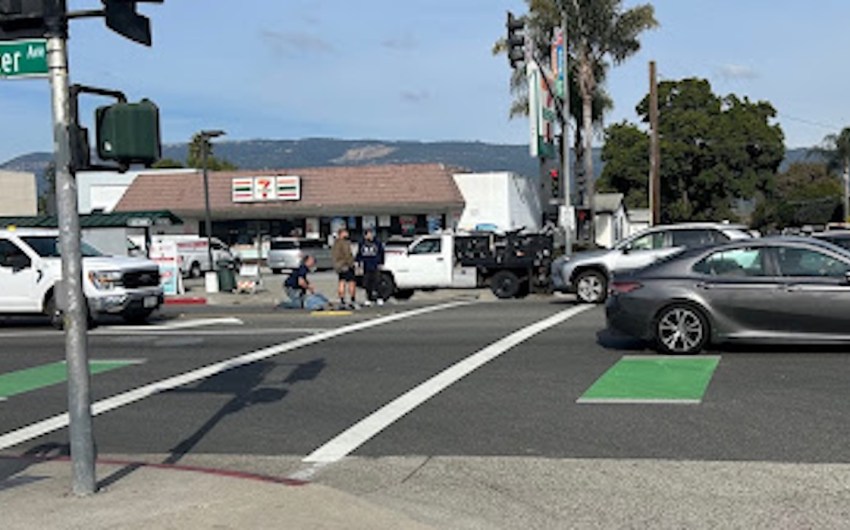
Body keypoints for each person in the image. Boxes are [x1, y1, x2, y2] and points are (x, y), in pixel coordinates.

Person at [356, 228, 385, 305]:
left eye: (370, 234)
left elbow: (381, 253)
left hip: (375, 265)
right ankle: (369, 298)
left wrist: (381, 263)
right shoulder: (362, 243)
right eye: (367, 234)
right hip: (366, 266)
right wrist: (358, 262)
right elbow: (359, 254)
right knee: (367, 283)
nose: (369, 236)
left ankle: (379, 297)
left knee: (377, 282)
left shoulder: (377, 243)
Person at [331, 228, 358, 309]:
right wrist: (352, 264)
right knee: (351, 282)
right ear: (341, 234)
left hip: (339, 265)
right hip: (346, 265)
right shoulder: (344, 243)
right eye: (345, 232)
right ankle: (352, 300)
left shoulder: (335, 243)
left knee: (341, 282)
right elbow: (347, 255)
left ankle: (342, 301)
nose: (347, 234)